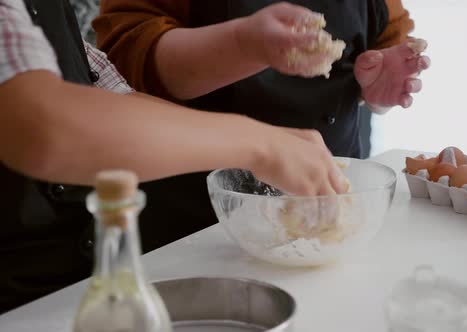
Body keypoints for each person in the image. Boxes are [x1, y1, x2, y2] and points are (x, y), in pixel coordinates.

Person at [0, 0, 347, 313]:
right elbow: (42, 124)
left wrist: (273, 140)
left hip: (62, 294)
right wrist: (261, 145)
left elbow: (112, 94)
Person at [93, 0, 431, 242]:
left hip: (332, 203)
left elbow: (387, 41)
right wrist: (245, 47)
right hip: (197, 224)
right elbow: (128, 57)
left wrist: (376, 85)